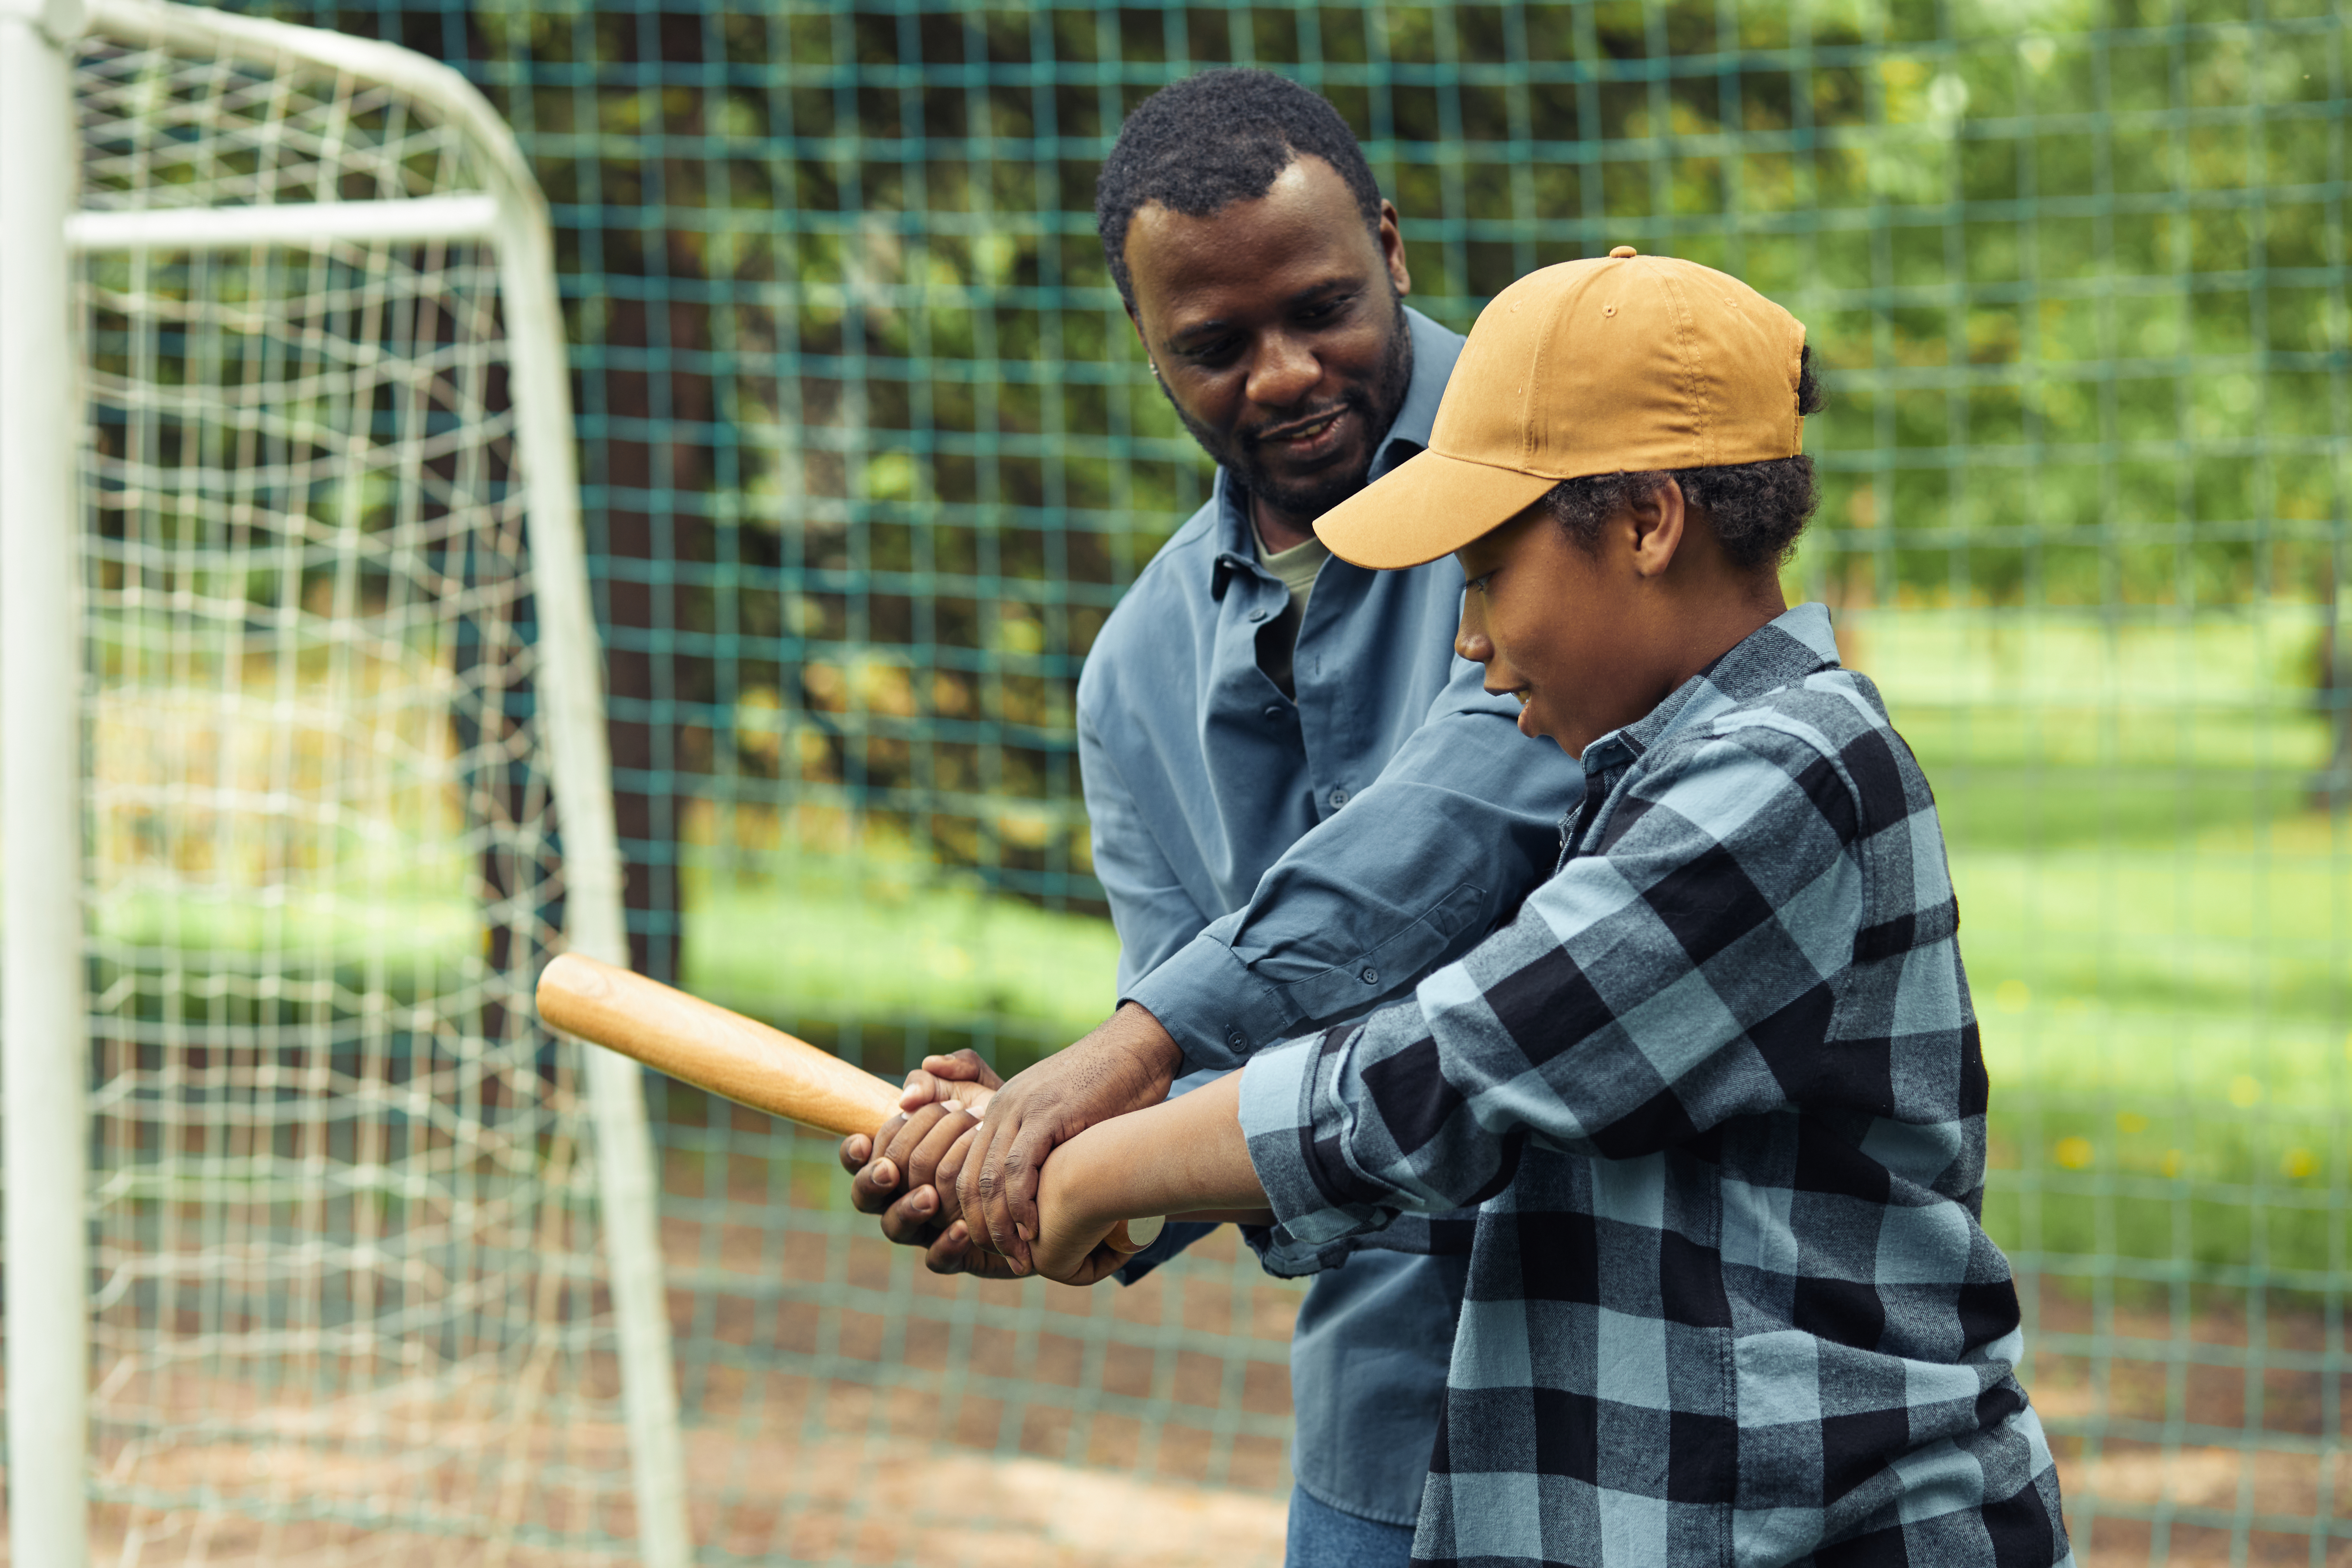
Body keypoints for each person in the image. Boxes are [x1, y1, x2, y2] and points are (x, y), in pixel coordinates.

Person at [1012, 252, 2074, 1566]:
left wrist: (1089, 1160)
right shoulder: (1635, 783)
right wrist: (1031, 1141)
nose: (1467, 643)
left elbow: (1443, 1082)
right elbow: (1453, 1147)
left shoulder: (1788, 779)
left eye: (1487, 574)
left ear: (1645, 522)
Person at [835, 69, 1584, 1564]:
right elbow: (1222, 1064)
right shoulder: (1134, 672)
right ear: (1147, 347)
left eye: (1321, 308)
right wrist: (1044, 1167)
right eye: (1214, 346)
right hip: (1388, 1408)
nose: (1287, 373)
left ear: (1392, 242)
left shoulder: (1559, 467)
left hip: (1654, 1364)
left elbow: (1477, 808)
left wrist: (1131, 1050)